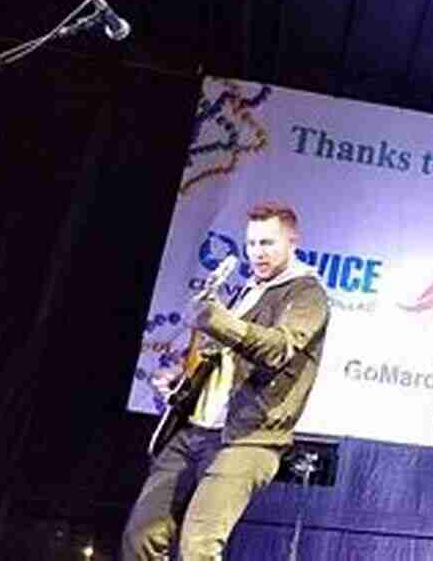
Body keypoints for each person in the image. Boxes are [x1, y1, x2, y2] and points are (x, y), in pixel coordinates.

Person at [121, 202, 330, 561]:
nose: (257, 253)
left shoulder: (306, 293)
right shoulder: (247, 290)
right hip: (194, 431)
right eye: (251, 244)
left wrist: (218, 320)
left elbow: (278, 349)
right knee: (141, 537)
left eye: (268, 243)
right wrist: (184, 382)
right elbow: (224, 362)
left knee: (198, 548)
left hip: (249, 439)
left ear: (292, 241)